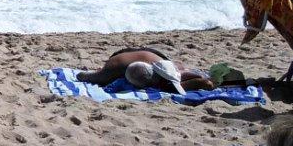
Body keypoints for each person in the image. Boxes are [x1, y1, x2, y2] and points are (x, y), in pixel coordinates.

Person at [79, 47, 214, 93]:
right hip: (159, 56)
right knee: (173, 74)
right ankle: (196, 79)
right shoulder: (115, 65)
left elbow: (82, 76)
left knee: (166, 82)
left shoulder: (111, 69)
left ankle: (194, 80)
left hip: (155, 59)